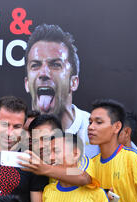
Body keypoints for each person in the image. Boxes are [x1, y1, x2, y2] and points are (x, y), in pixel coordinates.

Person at [24, 24, 99, 158]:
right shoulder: (16, 132)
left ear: (73, 82)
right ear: (27, 83)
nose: (43, 73)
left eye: (55, 65)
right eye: (35, 65)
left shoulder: (96, 129)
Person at [43, 132, 114, 202]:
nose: (50, 157)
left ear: (75, 154)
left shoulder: (97, 194)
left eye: (56, 151)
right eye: (48, 153)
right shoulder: (48, 191)